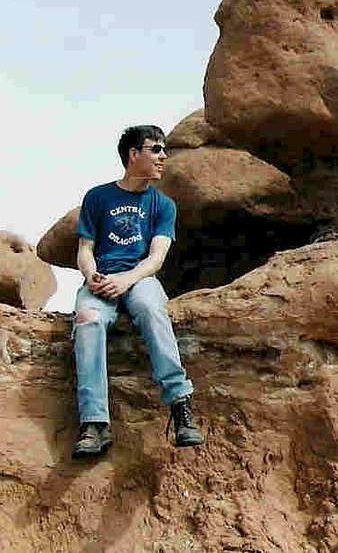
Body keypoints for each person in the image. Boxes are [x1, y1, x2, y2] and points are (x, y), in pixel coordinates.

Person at [71, 124, 204, 459]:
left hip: (139, 278)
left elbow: (157, 258)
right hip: (102, 278)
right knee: (87, 319)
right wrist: (91, 275)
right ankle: (94, 424)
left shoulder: (163, 205)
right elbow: (85, 248)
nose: (163, 156)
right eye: (155, 149)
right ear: (133, 155)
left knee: (150, 309)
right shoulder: (98, 197)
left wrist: (127, 280)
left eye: (164, 150)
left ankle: (180, 407)